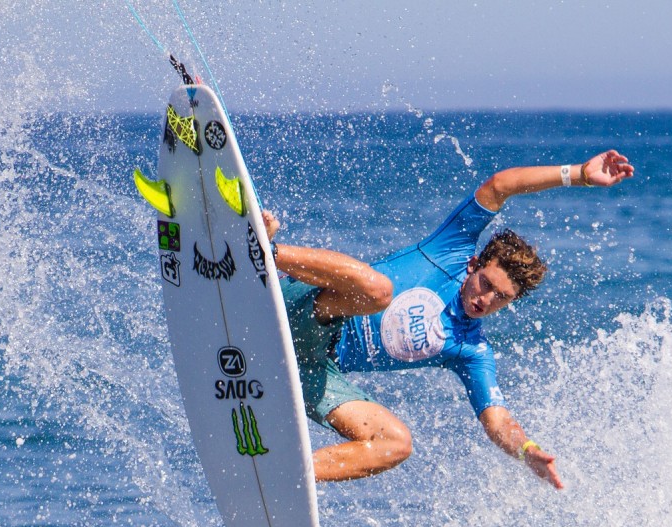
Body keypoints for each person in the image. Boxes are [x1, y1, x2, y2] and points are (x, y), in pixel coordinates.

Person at [267, 150, 635, 490]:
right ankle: (265, 251)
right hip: (301, 307)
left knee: (396, 444)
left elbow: (497, 420)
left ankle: (282, 478)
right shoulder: (451, 249)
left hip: (313, 364)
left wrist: (526, 449)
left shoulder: (471, 350)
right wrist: (580, 175)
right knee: (379, 289)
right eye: (485, 283)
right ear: (474, 265)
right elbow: (500, 186)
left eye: (501, 298)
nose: (485, 299)